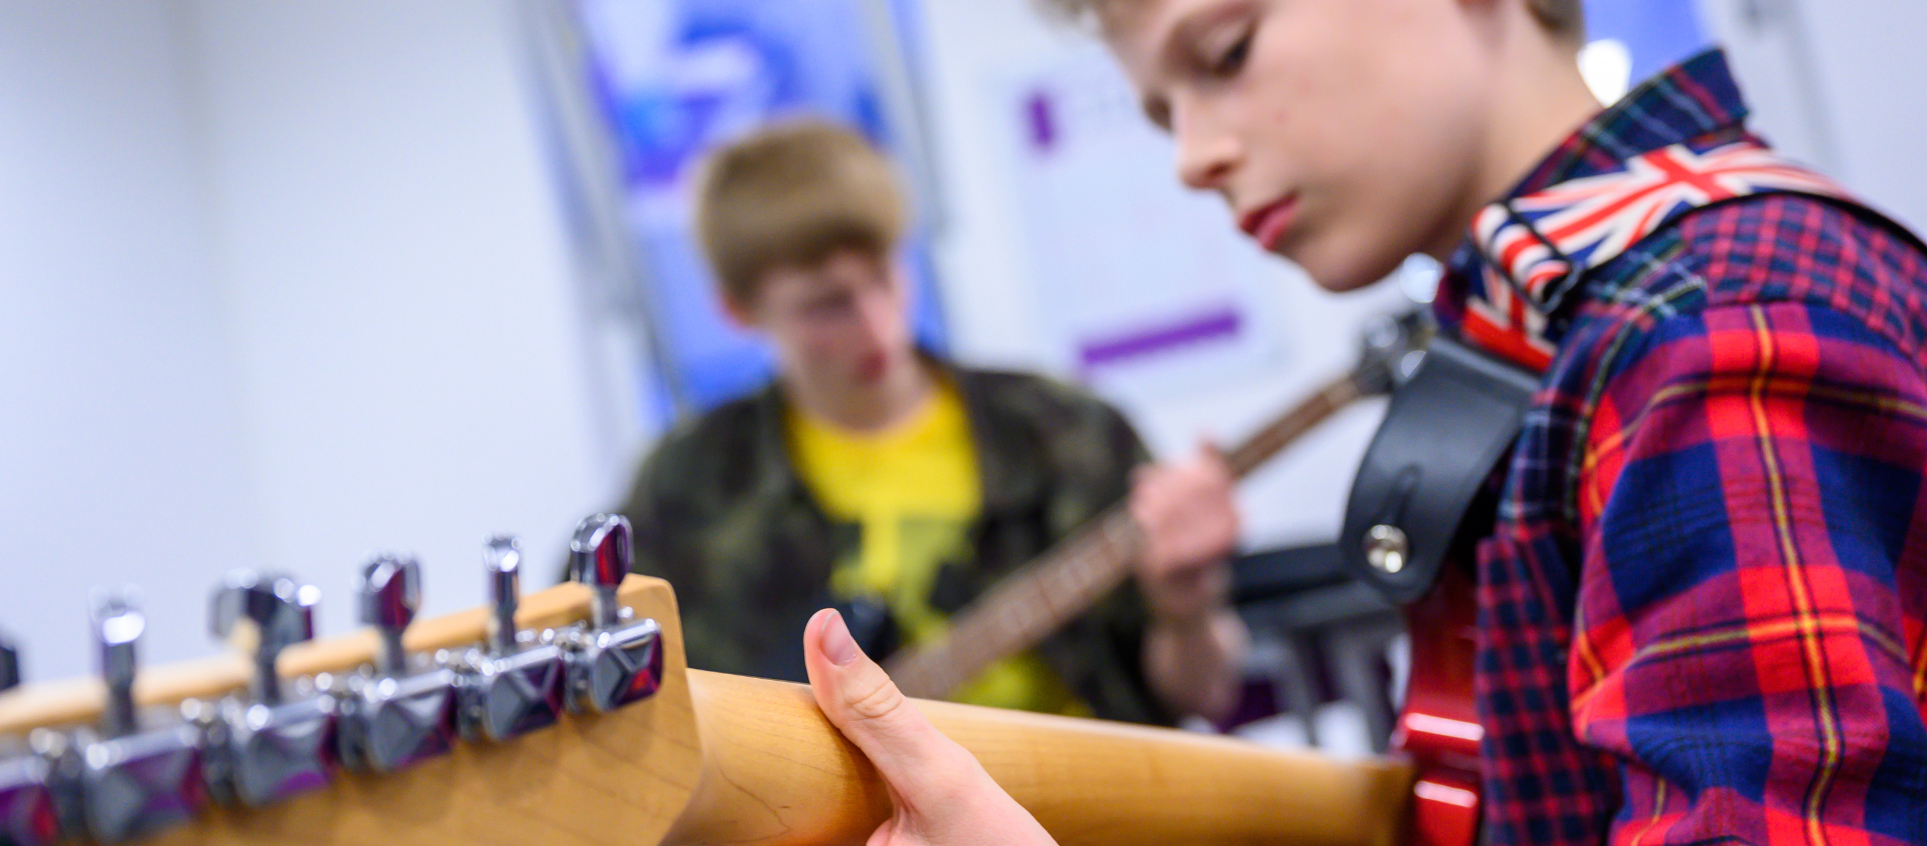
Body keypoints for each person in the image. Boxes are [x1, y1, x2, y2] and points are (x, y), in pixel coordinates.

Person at [797, 0, 1927, 844]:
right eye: (1159, 111)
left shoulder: (1703, 333)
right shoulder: (1552, 329)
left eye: (1227, 54)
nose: (1191, 157)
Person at [619, 119, 1248, 725]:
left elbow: (1206, 696)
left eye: (885, 276)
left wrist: (1187, 612)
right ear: (738, 310)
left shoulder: (1063, 429)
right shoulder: (689, 487)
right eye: (826, 305)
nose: (877, 326)